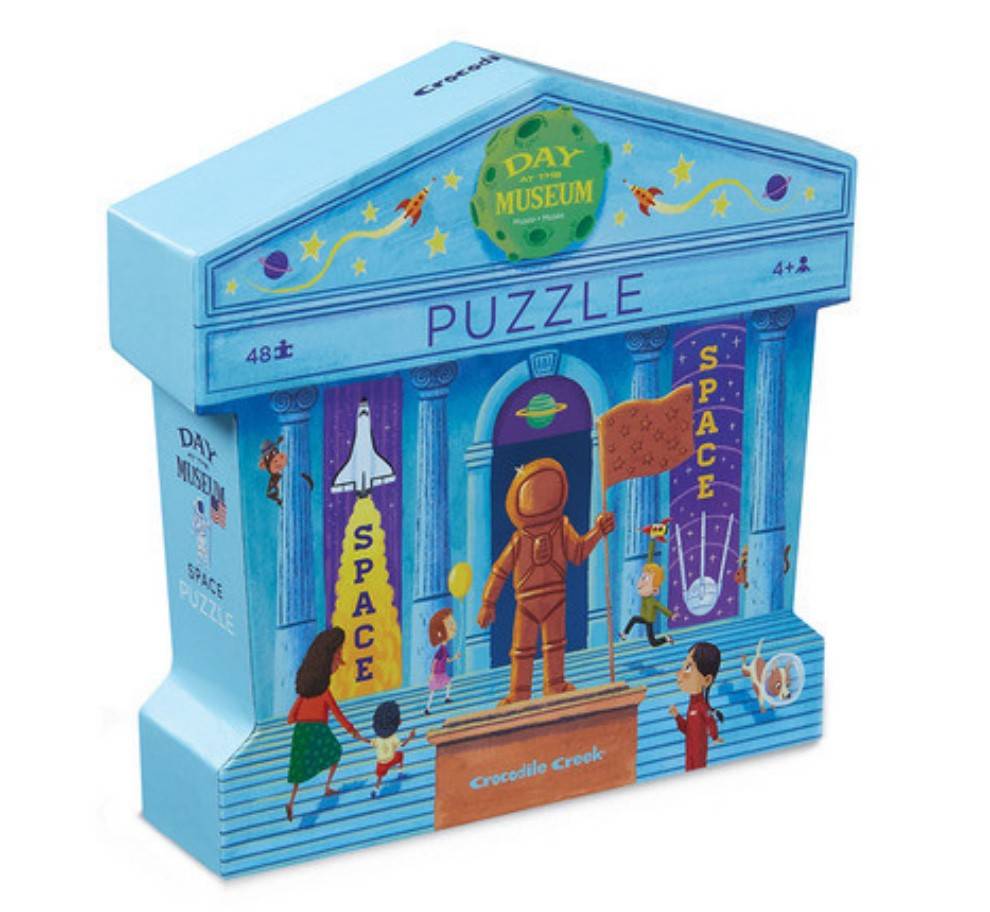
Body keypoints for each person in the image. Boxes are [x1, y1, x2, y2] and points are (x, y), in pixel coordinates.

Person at [479, 458, 615, 704]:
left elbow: (578, 552)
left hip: (555, 598)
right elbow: (500, 571)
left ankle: (555, 684)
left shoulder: (562, 528)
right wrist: (488, 602)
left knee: (555, 645)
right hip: (526, 602)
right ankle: (519, 692)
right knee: (522, 650)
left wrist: (598, 532)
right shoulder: (520, 539)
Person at [284, 627, 365, 821]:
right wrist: (353, 731)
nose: (340, 661)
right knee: (335, 752)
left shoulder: (304, 695)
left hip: (301, 731)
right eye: (338, 655)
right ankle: (327, 787)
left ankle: (291, 802)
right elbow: (338, 714)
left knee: (298, 770)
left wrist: (302, 718)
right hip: (318, 730)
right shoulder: (324, 693)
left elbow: (290, 718)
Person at [668, 641, 725, 771]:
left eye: (688, 668)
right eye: (683, 666)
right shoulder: (692, 706)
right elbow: (688, 730)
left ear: (707, 680)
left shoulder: (701, 707)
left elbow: (710, 721)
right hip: (689, 756)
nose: (679, 673)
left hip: (698, 757)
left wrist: (715, 736)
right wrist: (677, 716)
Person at [620, 534, 674, 647]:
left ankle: (666, 638)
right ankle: (625, 634)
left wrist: (670, 615)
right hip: (644, 617)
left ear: (655, 590)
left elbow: (661, 607)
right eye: (642, 577)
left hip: (648, 620)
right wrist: (652, 541)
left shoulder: (652, 600)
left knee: (653, 642)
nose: (640, 583)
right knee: (634, 619)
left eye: (645, 580)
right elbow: (650, 558)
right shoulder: (645, 593)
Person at [369, 700, 416, 799]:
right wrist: (410, 737)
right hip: (391, 759)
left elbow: (369, 741)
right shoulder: (393, 738)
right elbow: (403, 744)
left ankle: (375, 790)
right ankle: (400, 772)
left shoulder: (378, 739)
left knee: (379, 779)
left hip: (381, 763)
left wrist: (359, 737)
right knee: (400, 755)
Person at [425, 607, 459, 714]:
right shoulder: (441, 649)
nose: (453, 627)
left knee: (448, 683)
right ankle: (427, 708)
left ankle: (446, 698)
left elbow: (447, 660)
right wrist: (432, 674)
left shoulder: (444, 649)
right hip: (437, 674)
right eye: (450, 625)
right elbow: (435, 661)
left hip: (441, 673)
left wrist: (455, 657)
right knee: (432, 692)